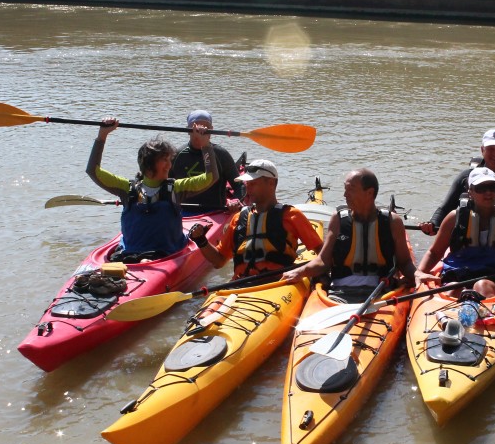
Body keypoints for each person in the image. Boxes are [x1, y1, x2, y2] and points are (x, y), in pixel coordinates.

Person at [86, 117, 218, 262]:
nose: (169, 165)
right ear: (149, 165)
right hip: (129, 254)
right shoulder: (126, 188)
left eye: (170, 160)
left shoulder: (176, 188)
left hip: (167, 255)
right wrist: (102, 136)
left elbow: (211, 177)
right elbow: (93, 170)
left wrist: (205, 145)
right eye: (165, 160)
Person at [282, 168, 416, 302]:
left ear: (369, 193)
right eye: (345, 189)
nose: (345, 195)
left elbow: (404, 263)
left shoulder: (393, 222)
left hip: (382, 291)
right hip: (340, 292)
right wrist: (300, 272)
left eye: (351, 189)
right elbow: (323, 261)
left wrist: (418, 274)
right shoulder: (338, 219)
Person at [187, 159, 323, 279]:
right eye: (247, 184)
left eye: (253, 183)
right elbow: (219, 261)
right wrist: (201, 240)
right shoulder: (238, 218)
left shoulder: (291, 216)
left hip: (278, 284)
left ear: (271, 183)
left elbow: (324, 256)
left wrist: (303, 273)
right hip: (241, 285)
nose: (248, 188)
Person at [415, 167, 495, 297]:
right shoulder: (454, 218)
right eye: (481, 188)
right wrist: (419, 272)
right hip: (459, 273)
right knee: (453, 289)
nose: (488, 193)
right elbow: (434, 252)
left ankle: (482, 313)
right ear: (470, 192)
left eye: (492, 187)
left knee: (482, 286)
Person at [170, 110, 245, 213]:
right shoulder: (177, 155)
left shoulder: (221, 154)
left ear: (212, 131)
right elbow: (164, 185)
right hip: (183, 212)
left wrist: (236, 200)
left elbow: (240, 186)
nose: (201, 131)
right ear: (188, 130)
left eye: (206, 127)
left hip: (215, 212)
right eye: (196, 127)